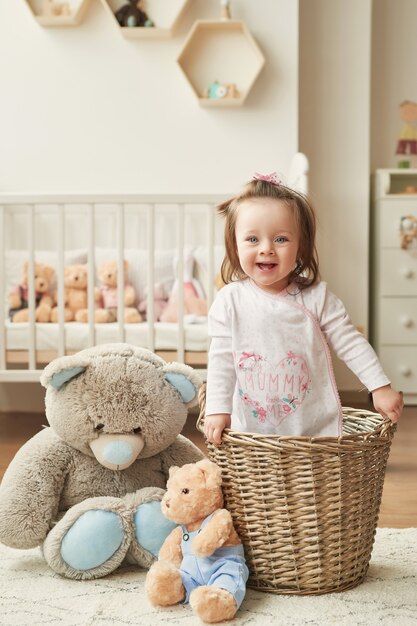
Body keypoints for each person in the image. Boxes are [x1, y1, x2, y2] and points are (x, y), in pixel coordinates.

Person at [204, 172, 403, 444]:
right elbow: (221, 359)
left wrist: (380, 387)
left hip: (312, 430)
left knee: (313, 486)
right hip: (251, 430)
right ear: (234, 246)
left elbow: (351, 343)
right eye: (252, 240)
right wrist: (218, 408)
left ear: (300, 247)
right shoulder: (230, 301)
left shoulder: (316, 297)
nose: (266, 249)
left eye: (281, 239)